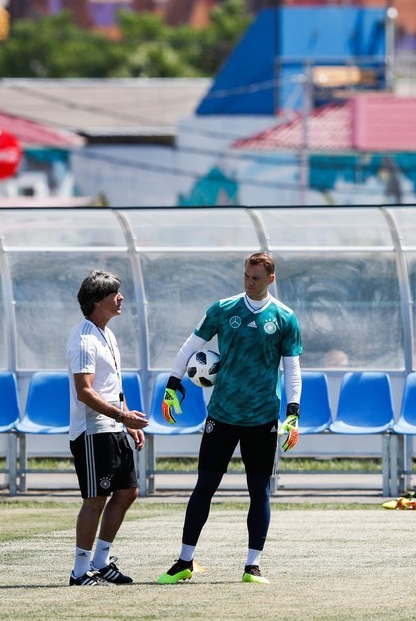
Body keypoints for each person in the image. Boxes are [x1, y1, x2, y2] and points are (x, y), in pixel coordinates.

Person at [157, 251, 302, 587]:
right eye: (246, 276)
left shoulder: (285, 317)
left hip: (262, 417)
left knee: (259, 491)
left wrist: (293, 413)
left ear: (271, 279)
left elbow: (292, 369)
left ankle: (253, 566)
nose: (249, 282)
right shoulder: (223, 309)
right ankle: (184, 561)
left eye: (256, 278)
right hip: (222, 414)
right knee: (205, 486)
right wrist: (172, 384)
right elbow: (189, 346)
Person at [66, 270, 149, 586]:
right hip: (93, 432)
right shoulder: (84, 340)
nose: (121, 297)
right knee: (96, 499)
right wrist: (122, 418)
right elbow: (85, 392)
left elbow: (113, 385)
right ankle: (79, 571)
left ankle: (100, 562)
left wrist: (126, 419)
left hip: (113, 427)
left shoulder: (106, 334)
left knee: (128, 492)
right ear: (98, 301)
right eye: (115, 293)